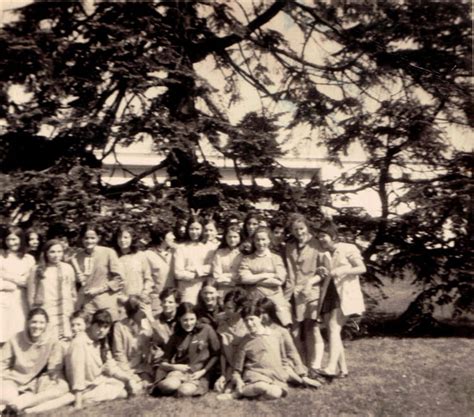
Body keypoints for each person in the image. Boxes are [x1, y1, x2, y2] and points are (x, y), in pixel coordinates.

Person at [315, 221, 366, 378]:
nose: (321, 239)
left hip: (345, 294)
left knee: (333, 328)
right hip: (329, 294)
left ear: (333, 236)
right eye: (319, 237)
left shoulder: (348, 248)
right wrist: (322, 270)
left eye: (323, 236)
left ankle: (330, 367)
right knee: (333, 331)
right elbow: (325, 273)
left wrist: (343, 271)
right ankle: (343, 370)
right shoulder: (323, 254)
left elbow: (362, 268)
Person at [66, 309, 141, 409]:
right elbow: (77, 374)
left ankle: (93, 397)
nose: (101, 330)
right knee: (123, 393)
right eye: (98, 326)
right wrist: (78, 403)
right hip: (85, 387)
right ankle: (85, 399)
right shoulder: (79, 342)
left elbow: (111, 366)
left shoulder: (101, 341)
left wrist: (128, 380)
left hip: (98, 381)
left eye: (105, 327)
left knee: (133, 385)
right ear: (91, 325)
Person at [0, 308, 69, 414]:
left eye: (41, 323)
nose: (37, 326)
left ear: (46, 324)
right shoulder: (16, 338)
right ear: (28, 322)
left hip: (36, 383)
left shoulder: (52, 340)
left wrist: (56, 379)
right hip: (14, 380)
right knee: (7, 396)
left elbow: (54, 367)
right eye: (34, 322)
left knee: (62, 388)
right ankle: (12, 405)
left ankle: (17, 406)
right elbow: (2, 362)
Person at [284, 214, 327, 369]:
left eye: (301, 228)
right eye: (295, 230)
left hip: (311, 292)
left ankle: (315, 365)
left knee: (311, 328)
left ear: (307, 228)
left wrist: (310, 283)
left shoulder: (317, 245)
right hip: (291, 293)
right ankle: (301, 364)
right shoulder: (289, 246)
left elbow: (324, 270)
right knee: (294, 330)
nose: (299, 232)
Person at [152, 303, 220, 397]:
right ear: (179, 319)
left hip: (199, 374)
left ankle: (179, 389)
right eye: (185, 320)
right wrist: (175, 367)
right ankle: (162, 386)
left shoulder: (206, 330)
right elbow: (164, 361)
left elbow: (216, 354)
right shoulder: (176, 335)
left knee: (184, 391)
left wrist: (203, 371)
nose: (189, 323)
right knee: (169, 385)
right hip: (179, 372)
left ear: (197, 318)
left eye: (192, 319)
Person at [256, 297, 321, 389]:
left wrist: (301, 372)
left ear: (271, 313)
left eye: (264, 313)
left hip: (281, 364)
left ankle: (302, 380)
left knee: (287, 372)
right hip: (263, 363)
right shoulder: (254, 329)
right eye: (258, 313)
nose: (261, 316)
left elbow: (292, 352)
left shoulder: (281, 331)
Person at [231, 303, 288, 400]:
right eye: (246, 320)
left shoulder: (276, 335)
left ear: (260, 317)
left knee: (275, 393)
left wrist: (285, 373)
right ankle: (240, 392)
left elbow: (283, 359)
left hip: (276, 377)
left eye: (252, 319)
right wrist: (238, 381)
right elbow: (237, 369)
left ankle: (253, 395)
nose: (249, 323)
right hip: (256, 376)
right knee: (261, 386)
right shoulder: (245, 341)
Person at [238, 226, 292, 327]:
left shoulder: (276, 258)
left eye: (263, 239)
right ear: (253, 241)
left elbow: (279, 281)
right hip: (254, 298)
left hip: (275, 297)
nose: (260, 242)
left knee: (281, 325)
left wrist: (254, 279)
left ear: (269, 240)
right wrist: (267, 275)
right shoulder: (247, 259)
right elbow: (244, 278)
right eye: (257, 239)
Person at [27, 239, 77, 340]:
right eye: (52, 252)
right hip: (46, 309)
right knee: (48, 339)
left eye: (59, 252)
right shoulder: (37, 269)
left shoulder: (68, 268)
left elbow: (72, 290)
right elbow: (31, 294)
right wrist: (35, 313)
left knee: (65, 339)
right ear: (46, 253)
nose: (56, 255)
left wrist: (71, 307)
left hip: (65, 310)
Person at [71, 224, 124, 320]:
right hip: (87, 305)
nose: (89, 241)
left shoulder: (108, 253)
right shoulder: (77, 257)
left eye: (92, 238)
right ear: (82, 239)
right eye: (86, 238)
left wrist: (99, 289)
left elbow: (119, 280)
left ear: (98, 238)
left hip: (106, 303)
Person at [0, 226, 36, 344]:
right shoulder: (1, 257)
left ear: (21, 239)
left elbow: (28, 281)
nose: (11, 243)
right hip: (4, 299)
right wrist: (8, 284)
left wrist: (7, 276)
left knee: (19, 332)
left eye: (14, 239)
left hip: (22, 300)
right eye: (8, 240)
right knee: (3, 332)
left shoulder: (28, 259)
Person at [111, 295, 154, 390]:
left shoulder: (148, 324)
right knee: (135, 386)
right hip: (126, 366)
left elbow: (160, 341)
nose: (148, 310)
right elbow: (118, 353)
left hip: (142, 367)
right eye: (145, 307)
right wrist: (128, 372)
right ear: (135, 310)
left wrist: (151, 320)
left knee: (147, 383)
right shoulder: (120, 326)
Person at [214, 289, 248, 395]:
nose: (225, 310)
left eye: (229, 308)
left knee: (229, 389)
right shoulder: (222, 322)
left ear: (240, 309)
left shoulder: (247, 324)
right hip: (229, 364)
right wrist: (223, 374)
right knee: (220, 388)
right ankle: (228, 380)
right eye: (224, 307)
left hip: (244, 365)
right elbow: (223, 353)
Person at [173, 216, 213, 304]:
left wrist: (193, 269)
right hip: (187, 289)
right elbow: (178, 273)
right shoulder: (181, 248)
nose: (194, 232)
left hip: (205, 288)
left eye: (197, 229)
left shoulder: (208, 247)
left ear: (202, 229)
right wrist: (195, 275)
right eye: (191, 229)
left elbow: (212, 267)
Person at [113, 226, 152, 299]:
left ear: (132, 239)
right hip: (119, 301)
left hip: (139, 299)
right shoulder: (113, 257)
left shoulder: (141, 256)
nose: (122, 240)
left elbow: (148, 278)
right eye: (119, 237)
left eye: (126, 237)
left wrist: (144, 293)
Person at [145, 225, 176, 313]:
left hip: (173, 299)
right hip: (156, 301)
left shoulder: (174, 252)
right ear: (161, 238)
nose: (174, 237)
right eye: (171, 234)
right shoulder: (147, 255)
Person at [148, 288, 180, 365]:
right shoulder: (156, 319)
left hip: (179, 358)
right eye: (164, 301)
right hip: (161, 359)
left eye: (170, 302)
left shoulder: (181, 319)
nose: (166, 305)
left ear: (177, 304)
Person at [211, 224, 243, 300]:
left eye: (235, 237)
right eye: (229, 237)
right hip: (223, 290)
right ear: (225, 237)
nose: (232, 240)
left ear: (240, 237)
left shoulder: (243, 253)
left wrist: (226, 275)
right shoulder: (219, 253)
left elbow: (242, 274)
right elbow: (217, 275)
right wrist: (233, 279)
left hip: (240, 289)